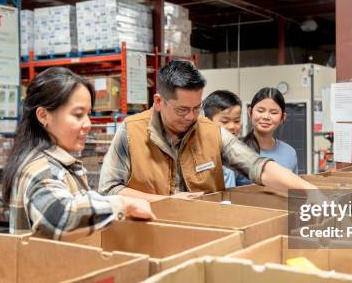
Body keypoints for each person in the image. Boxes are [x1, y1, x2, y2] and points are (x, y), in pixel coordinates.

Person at [99, 60, 317, 201]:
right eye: (183, 109)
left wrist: (312, 192)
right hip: (149, 235)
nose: (192, 117)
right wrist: (165, 202)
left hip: (206, 233)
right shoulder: (130, 132)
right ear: (159, 101)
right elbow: (109, 190)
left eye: (197, 107)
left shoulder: (211, 132)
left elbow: (258, 167)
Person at [2, 67, 155, 240]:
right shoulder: (40, 169)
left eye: (88, 114)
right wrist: (123, 205)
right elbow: (59, 218)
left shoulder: (60, 164)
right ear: (43, 115)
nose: (88, 124)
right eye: (78, 115)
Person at [236, 87, 298, 186]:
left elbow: (294, 191)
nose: (266, 117)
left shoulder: (289, 153)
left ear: (283, 118)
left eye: (273, 113)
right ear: (250, 112)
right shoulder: (236, 150)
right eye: (260, 111)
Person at [202, 90, 242, 188]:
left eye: (237, 121)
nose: (233, 126)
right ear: (208, 121)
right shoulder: (201, 153)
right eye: (225, 121)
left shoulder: (236, 152)